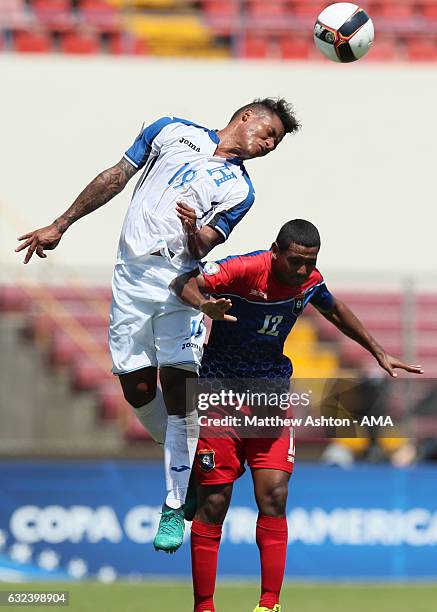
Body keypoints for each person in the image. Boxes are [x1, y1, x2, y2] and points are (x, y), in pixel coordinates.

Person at [14, 99, 300, 553]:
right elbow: (115, 176)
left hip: (180, 288)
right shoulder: (171, 129)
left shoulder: (240, 190)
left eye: (276, 144)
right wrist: (60, 224)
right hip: (130, 278)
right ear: (246, 116)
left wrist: (191, 229)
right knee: (138, 391)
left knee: (181, 391)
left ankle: (172, 504)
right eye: (269, 133)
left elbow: (205, 242)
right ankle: (188, 470)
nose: (269, 144)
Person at [172, 218, 423, 612]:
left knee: (274, 495)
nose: (303, 270)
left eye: (310, 262)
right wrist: (204, 306)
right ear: (276, 251)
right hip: (219, 396)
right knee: (214, 504)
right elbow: (182, 282)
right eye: (295, 261)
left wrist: (377, 350)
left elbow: (335, 309)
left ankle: (269, 605)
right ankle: (204, 606)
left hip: (269, 399)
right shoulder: (242, 269)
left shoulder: (309, 280)